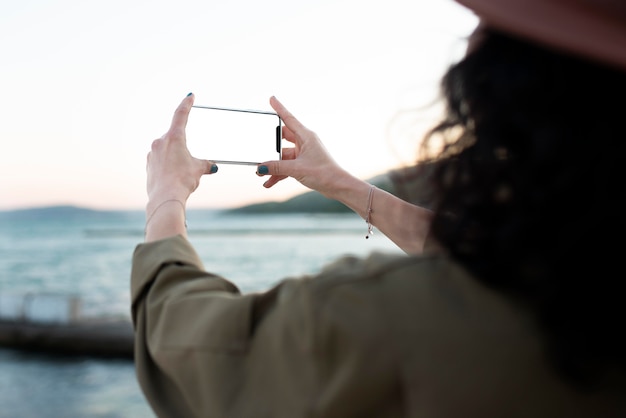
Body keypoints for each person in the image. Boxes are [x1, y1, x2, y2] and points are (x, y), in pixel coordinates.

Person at [131, 0, 626, 416]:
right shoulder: (577, 265)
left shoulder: (396, 314)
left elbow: (193, 354)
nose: (470, 42)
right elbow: (475, 249)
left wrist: (166, 197)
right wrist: (342, 184)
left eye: (487, 28)